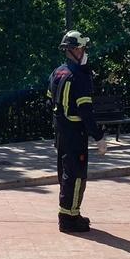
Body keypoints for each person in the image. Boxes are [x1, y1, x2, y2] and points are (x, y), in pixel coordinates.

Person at [48, 30, 104, 234]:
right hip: (75, 133)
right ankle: (69, 218)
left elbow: (50, 99)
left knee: (64, 174)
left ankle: (70, 213)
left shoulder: (57, 72)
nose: (84, 52)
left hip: (61, 132)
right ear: (74, 50)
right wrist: (98, 136)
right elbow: (86, 112)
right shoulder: (79, 76)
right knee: (76, 175)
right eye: (82, 48)